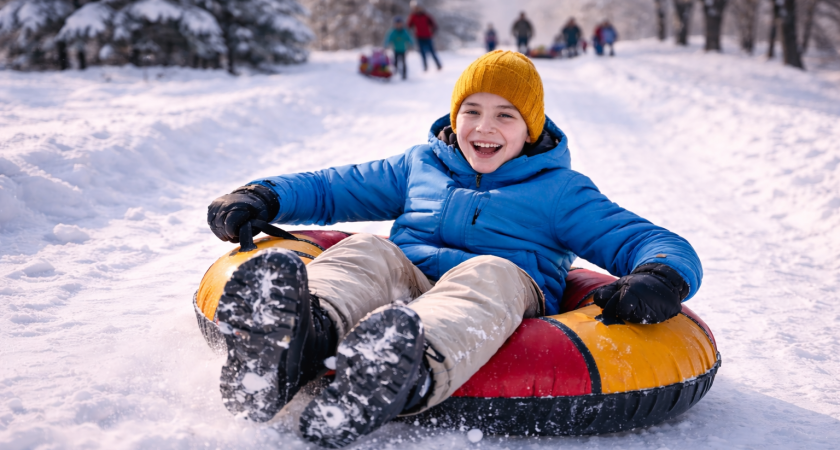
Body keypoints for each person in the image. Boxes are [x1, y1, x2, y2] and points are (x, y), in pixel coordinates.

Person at [206, 50, 703, 448]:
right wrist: (264, 194)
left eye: (505, 116)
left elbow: (648, 239)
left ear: (530, 128)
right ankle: (300, 335)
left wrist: (661, 275)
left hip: (503, 289)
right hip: (410, 280)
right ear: (454, 115)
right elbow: (336, 186)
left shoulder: (561, 191)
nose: (484, 128)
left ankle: (400, 368)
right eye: (472, 111)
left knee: (490, 270)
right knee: (367, 251)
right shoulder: (422, 164)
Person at [407, 3, 442, 71]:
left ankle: (438, 65)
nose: (417, 9)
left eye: (418, 8)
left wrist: (433, 30)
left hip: (428, 36)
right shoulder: (413, 16)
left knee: (432, 51)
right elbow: (409, 26)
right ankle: (425, 67)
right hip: (419, 37)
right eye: (415, 8)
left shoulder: (426, 16)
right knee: (422, 53)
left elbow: (433, 24)